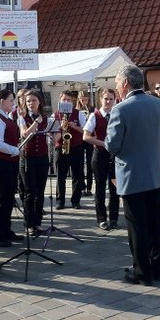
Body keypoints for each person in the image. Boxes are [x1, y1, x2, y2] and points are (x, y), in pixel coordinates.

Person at [105, 65, 160, 286]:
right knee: (155, 223)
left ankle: (142, 272)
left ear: (125, 83)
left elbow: (112, 146)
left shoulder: (120, 109)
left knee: (137, 226)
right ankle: (158, 267)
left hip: (131, 175)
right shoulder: (158, 104)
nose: (116, 87)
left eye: (117, 83)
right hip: (154, 173)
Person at [0, 89, 23, 248]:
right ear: (1, 101)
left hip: (9, 161)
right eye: (11, 100)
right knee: (2, 199)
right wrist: (16, 150)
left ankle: (5, 230)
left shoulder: (5, 117)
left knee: (8, 198)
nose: (13, 103)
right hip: (0, 162)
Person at [84, 88, 119, 231]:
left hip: (115, 155)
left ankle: (114, 218)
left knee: (115, 188)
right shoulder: (95, 115)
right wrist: (103, 143)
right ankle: (102, 218)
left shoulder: (117, 114)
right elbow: (86, 136)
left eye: (111, 99)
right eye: (106, 99)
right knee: (100, 188)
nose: (108, 102)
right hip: (99, 155)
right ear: (101, 99)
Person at [17, 90, 49, 236]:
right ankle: (28, 224)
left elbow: (52, 133)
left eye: (33, 100)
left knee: (40, 192)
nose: (30, 103)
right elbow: (25, 133)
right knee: (30, 192)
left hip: (42, 157)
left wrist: (55, 134)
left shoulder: (46, 118)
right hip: (28, 158)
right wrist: (36, 122)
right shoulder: (22, 118)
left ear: (39, 102)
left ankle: (37, 222)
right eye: (28, 101)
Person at [53, 90, 86, 209]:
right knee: (60, 175)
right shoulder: (55, 115)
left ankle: (76, 201)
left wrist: (74, 126)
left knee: (77, 175)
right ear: (60, 100)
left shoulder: (79, 113)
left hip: (76, 147)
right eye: (64, 100)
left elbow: (85, 131)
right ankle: (60, 200)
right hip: (60, 147)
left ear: (72, 101)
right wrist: (61, 127)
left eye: (68, 100)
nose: (66, 102)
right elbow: (53, 136)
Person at [77, 90, 95, 196]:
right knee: (80, 164)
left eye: (86, 100)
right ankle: (82, 187)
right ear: (79, 100)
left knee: (89, 164)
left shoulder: (93, 110)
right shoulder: (76, 111)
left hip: (89, 139)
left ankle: (89, 187)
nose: (84, 102)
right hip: (79, 139)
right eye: (82, 100)